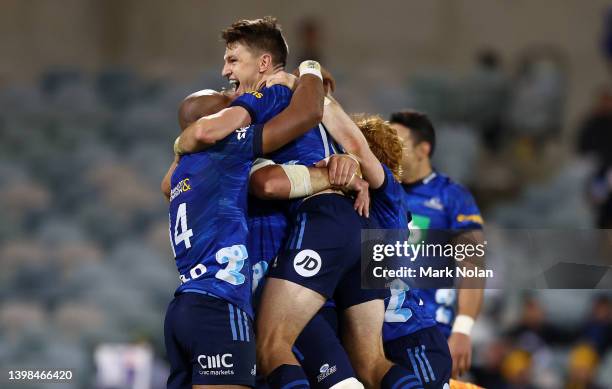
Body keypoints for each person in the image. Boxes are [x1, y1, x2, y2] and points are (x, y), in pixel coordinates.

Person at [162, 60, 325, 389]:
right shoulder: (225, 147)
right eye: (225, 101)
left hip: (182, 310)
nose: (232, 97)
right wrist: (306, 72)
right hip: (218, 307)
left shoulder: (179, 173)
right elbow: (306, 114)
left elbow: (165, 184)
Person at [387, 110, 485, 380]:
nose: (390, 148)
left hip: (431, 333)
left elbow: (473, 267)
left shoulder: (452, 197)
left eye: (398, 141)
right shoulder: (380, 188)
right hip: (379, 330)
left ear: (423, 149)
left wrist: (462, 329)